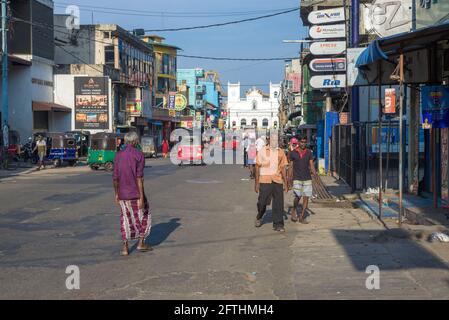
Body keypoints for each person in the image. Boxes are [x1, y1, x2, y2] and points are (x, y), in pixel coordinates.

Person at [113, 132, 152, 256]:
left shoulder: (118, 155)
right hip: (135, 193)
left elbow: (115, 178)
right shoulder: (138, 155)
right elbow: (139, 178)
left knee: (125, 218)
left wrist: (116, 194)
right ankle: (141, 242)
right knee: (145, 215)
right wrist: (141, 197)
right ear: (135, 142)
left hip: (122, 194)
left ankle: (125, 247)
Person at [254, 134, 288, 232]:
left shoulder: (280, 152)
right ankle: (259, 215)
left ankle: (278, 224)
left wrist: (286, 183)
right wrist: (256, 183)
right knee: (262, 202)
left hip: (277, 180)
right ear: (268, 140)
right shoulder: (262, 151)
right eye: (272, 139)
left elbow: (283, 168)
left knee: (278, 202)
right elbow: (257, 167)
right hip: (264, 180)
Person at [288, 136, 317, 224]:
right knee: (298, 196)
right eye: (301, 142)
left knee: (306, 197)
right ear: (298, 142)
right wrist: (289, 177)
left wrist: (315, 175)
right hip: (297, 178)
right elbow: (291, 166)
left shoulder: (309, 153)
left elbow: (311, 165)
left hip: (307, 178)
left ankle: (301, 216)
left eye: (304, 142)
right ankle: (294, 209)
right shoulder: (293, 153)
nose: (303, 143)